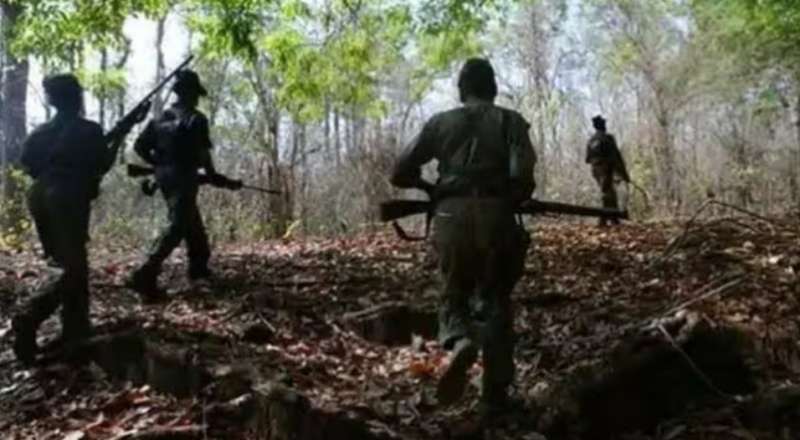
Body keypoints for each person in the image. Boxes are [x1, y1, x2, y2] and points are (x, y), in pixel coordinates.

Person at [390, 58, 536, 422]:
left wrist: (430, 188)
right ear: (493, 88)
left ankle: (459, 340)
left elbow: (400, 171)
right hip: (495, 215)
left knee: (453, 293)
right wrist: (510, 195)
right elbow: (522, 177)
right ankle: (494, 398)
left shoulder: (440, 123)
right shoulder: (510, 121)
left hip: (449, 216)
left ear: (461, 89)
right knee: (496, 301)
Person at [13, 74, 149, 364]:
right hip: (66, 198)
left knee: (67, 262)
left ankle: (75, 329)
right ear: (75, 97)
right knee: (71, 269)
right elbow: (102, 164)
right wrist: (121, 134)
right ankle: (31, 314)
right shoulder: (88, 130)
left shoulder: (40, 132)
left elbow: (29, 165)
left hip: (39, 195)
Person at [127, 70, 241, 302]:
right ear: (188, 93)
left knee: (190, 219)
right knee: (177, 225)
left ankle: (199, 267)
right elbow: (203, 154)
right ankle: (144, 271)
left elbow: (139, 146)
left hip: (164, 178)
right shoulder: (196, 119)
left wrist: (159, 165)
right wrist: (214, 176)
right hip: (183, 177)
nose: (197, 99)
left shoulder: (159, 119)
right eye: (195, 94)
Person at [585, 115, 630, 226]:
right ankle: (604, 219)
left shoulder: (591, 140)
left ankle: (613, 218)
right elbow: (616, 156)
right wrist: (623, 174)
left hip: (595, 170)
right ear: (602, 126)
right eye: (604, 124)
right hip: (605, 168)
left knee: (609, 192)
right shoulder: (608, 138)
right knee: (607, 193)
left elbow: (587, 159)